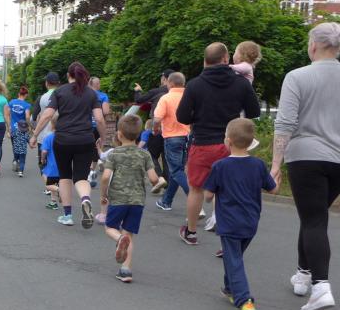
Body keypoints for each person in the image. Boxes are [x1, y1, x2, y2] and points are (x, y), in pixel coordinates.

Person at [271, 22, 340, 310]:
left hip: (305, 156)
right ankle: (303, 273)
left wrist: (276, 163)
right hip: (337, 159)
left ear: (313, 45)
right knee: (313, 216)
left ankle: (321, 286)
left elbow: (285, 123)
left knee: (314, 220)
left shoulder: (297, 76)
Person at [176, 42, 260, 245]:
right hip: (230, 145)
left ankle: (191, 232)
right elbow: (254, 111)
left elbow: (182, 116)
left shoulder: (194, 85)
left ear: (205, 60)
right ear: (225, 58)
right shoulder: (241, 83)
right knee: (228, 191)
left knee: (196, 189)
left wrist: (198, 117)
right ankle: (228, 241)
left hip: (202, 144)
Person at [203, 118, 277, 310]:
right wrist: (276, 176)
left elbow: (208, 196)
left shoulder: (220, 166)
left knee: (234, 259)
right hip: (251, 222)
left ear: (228, 141)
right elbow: (273, 188)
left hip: (229, 222)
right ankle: (230, 288)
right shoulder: (258, 165)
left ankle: (244, 301)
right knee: (233, 257)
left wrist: (212, 192)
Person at [31, 62, 106, 228]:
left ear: (68, 75)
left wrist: (35, 135)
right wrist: (103, 138)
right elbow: (100, 119)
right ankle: (85, 200)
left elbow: (47, 115)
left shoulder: (59, 92)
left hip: (63, 140)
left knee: (65, 176)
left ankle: (67, 215)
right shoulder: (91, 94)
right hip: (85, 139)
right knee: (81, 177)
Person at [100, 114, 158, 283]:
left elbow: (105, 177)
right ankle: (126, 270)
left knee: (110, 227)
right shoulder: (144, 154)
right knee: (129, 234)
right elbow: (153, 178)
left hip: (118, 199)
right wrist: (158, 181)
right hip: (137, 201)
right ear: (138, 134)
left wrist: (104, 194)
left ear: (119, 134)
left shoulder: (114, 154)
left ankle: (119, 239)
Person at [154, 72, 190, 211]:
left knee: (176, 171)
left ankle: (194, 199)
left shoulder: (166, 98)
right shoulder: (189, 96)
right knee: (177, 170)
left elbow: (157, 118)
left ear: (170, 83)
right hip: (187, 137)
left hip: (172, 137)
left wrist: (155, 129)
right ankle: (166, 201)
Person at [87, 77, 111, 187]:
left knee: (87, 149)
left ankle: (88, 171)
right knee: (97, 147)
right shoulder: (103, 96)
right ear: (97, 84)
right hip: (98, 125)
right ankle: (92, 168)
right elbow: (106, 111)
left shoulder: (84, 94)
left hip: (86, 125)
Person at [8, 86, 32, 174]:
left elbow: (7, 114)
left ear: (19, 94)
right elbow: (27, 116)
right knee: (21, 146)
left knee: (15, 146)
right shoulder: (26, 105)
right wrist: (29, 126)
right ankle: (18, 163)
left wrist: (8, 127)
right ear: (26, 95)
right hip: (22, 128)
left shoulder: (12, 102)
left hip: (13, 128)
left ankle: (15, 160)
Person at [40, 122, 60, 210]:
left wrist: (42, 159)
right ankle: (53, 202)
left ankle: (60, 191)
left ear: (52, 125)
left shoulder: (49, 137)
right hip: (64, 165)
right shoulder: (66, 137)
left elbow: (44, 151)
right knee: (55, 183)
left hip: (52, 165)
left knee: (48, 184)